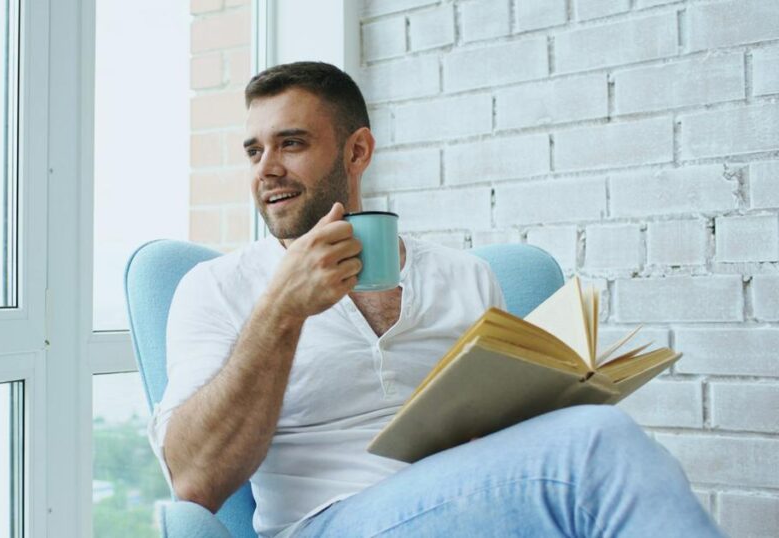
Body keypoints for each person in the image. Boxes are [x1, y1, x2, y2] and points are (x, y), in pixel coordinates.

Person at [149, 61, 721, 537]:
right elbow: (195, 479)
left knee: (587, 440)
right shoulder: (216, 287)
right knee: (600, 444)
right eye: (253, 151)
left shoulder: (465, 275)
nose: (267, 169)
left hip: (474, 503)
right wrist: (282, 309)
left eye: (291, 144)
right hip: (327, 523)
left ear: (357, 152)